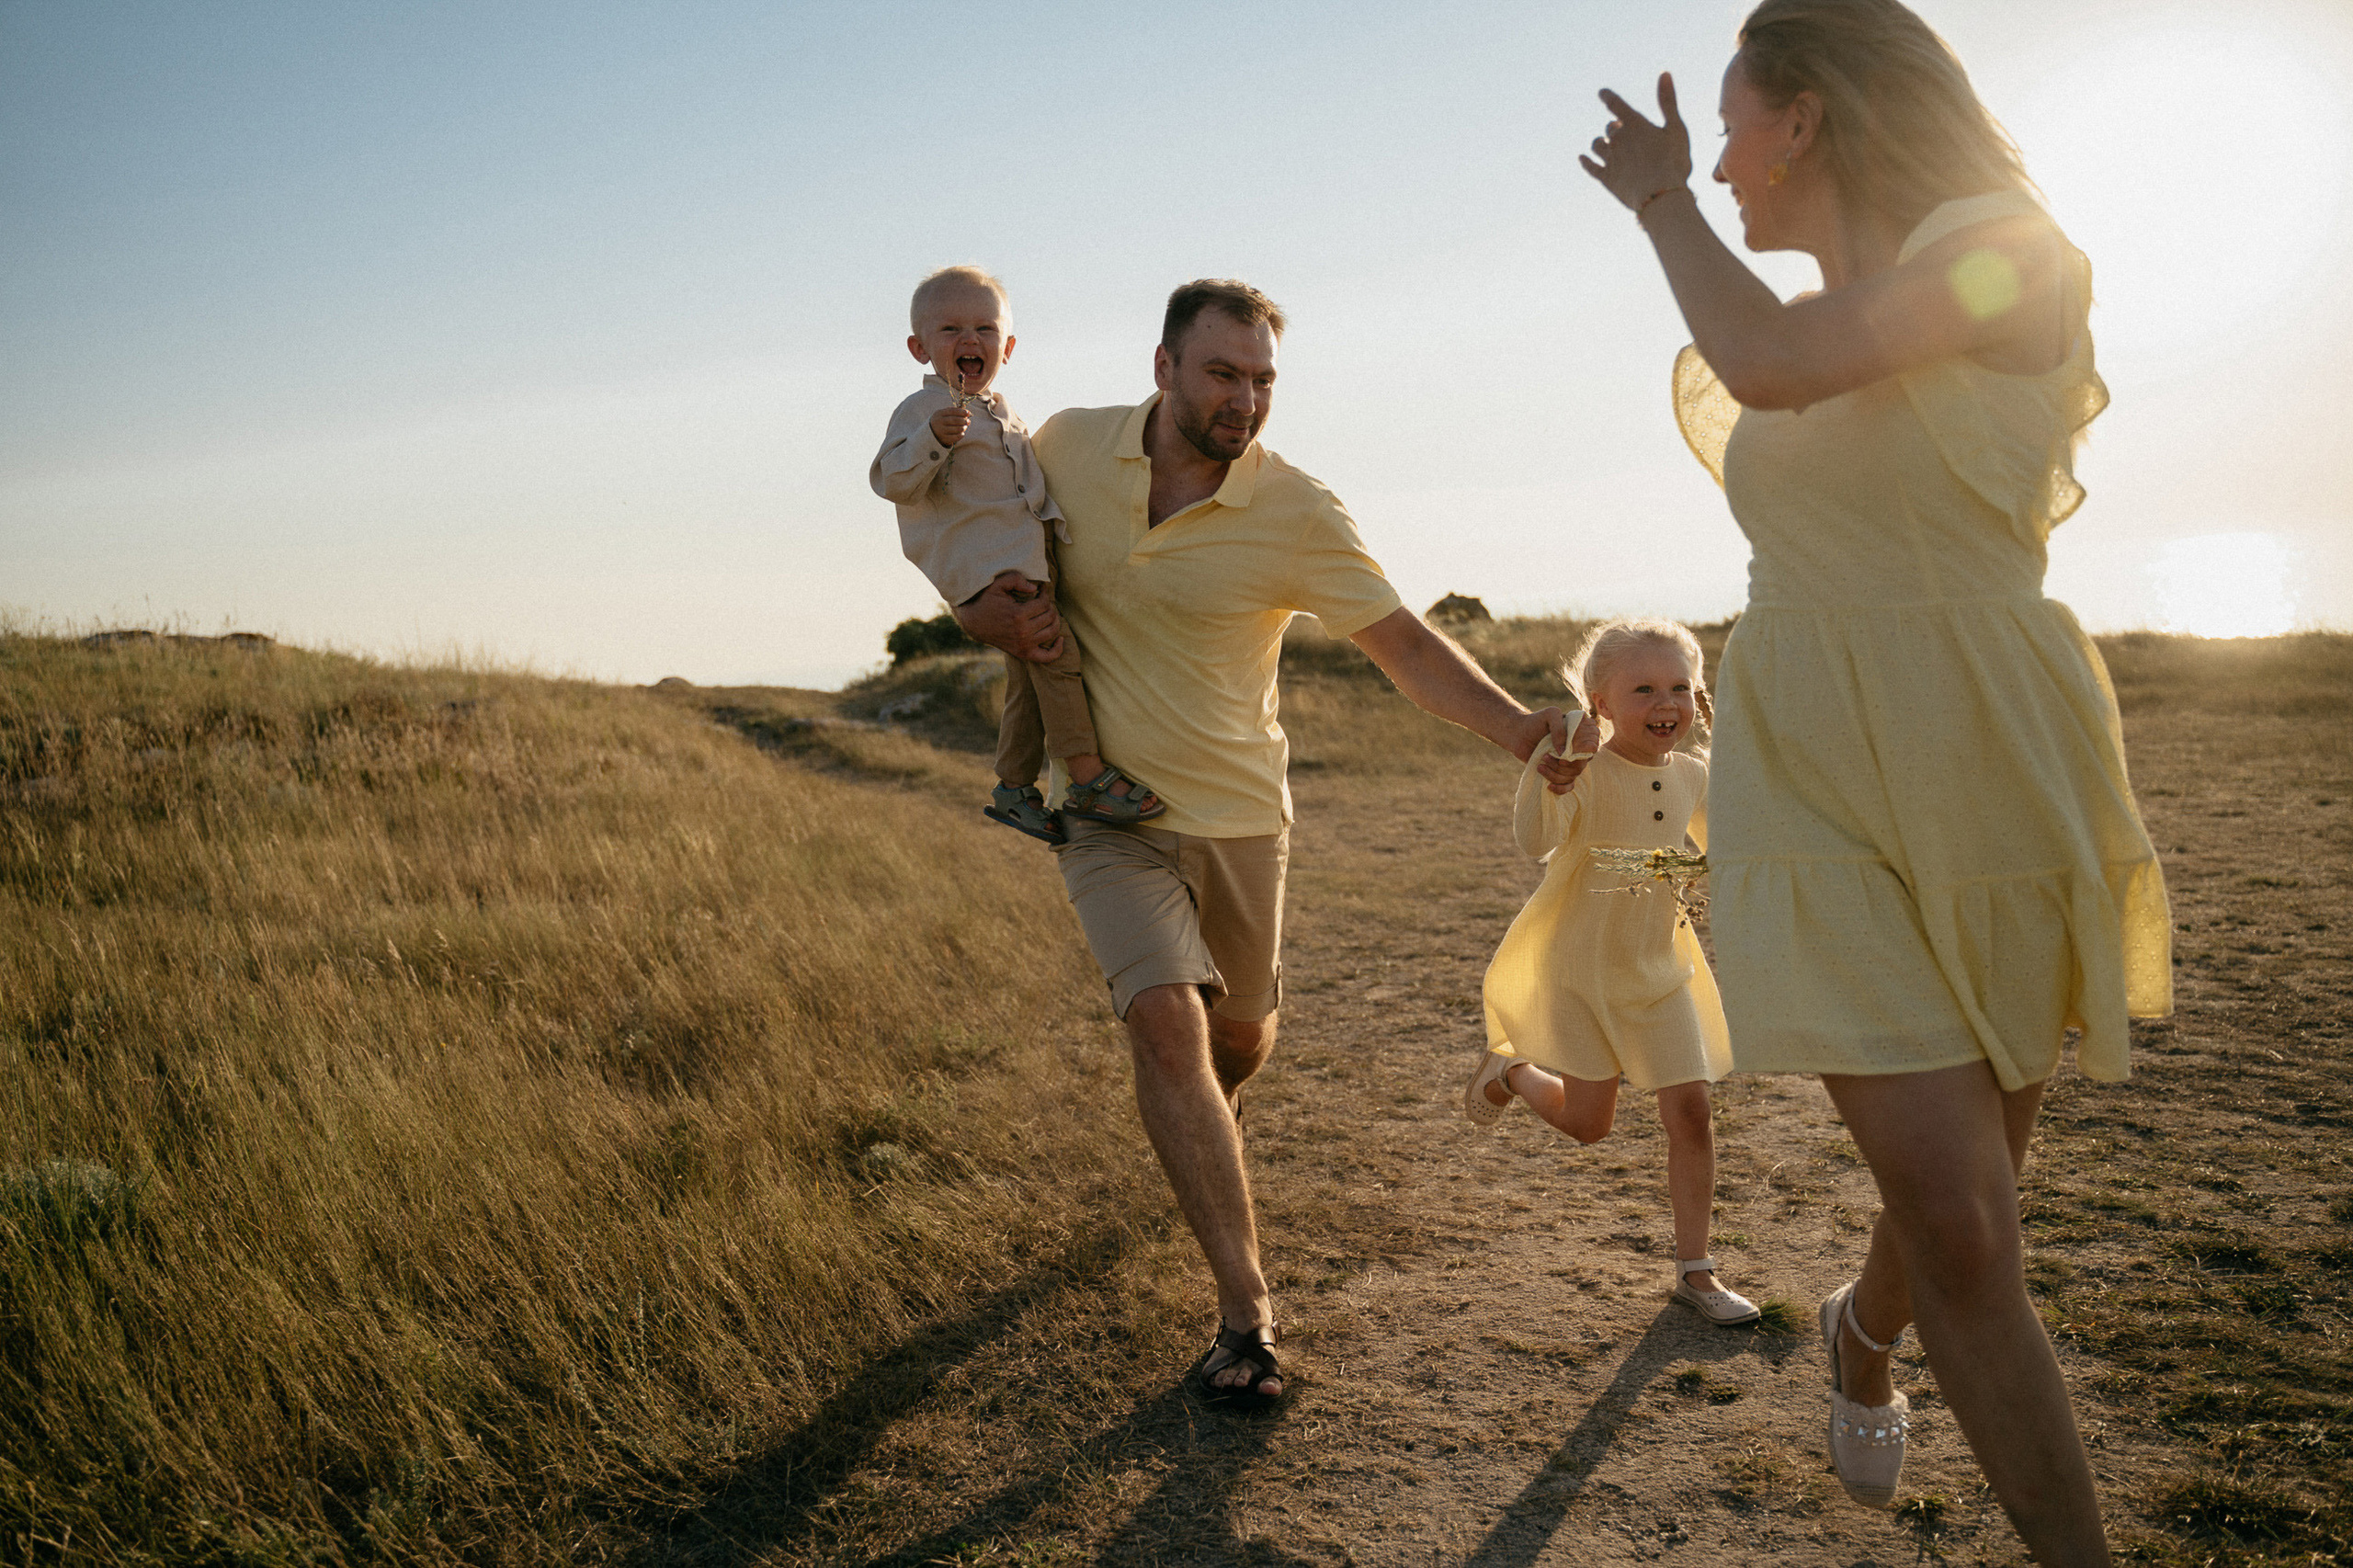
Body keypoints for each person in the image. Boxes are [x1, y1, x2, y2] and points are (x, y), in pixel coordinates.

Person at [1579, 1, 2170, 1560]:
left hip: (1989, 746)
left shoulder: (2008, 253)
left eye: (1729, 123)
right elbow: (1777, 366)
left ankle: (1865, 1324)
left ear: (1809, 120)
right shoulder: (1820, 310)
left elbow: (1774, 365)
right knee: (1969, 1218)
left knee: (1971, 1185)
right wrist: (1683, 218)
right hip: (1815, 761)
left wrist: (1661, 207)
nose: (1717, 158)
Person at [956, 278, 1579, 1407]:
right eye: (1222, 374)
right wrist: (981, 616)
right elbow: (974, 538)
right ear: (1163, 366)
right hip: (1107, 811)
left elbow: (1402, 642)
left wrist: (1513, 725)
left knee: (1235, 1041)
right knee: (1165, 1022)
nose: (1245, 400)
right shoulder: (1064, 446)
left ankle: (1206, 1121)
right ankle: (1245, 1319)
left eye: (1262, 381)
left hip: (1241, 816)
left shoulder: (1295, 508)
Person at [1464, 619, 1760, 1328]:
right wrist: (1548, 774)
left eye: (1682, 687)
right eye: (1645, 688)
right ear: (1599, 702)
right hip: (1578, 972)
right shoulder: (1580, 770)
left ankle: (1696, 1272)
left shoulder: (1693, 774)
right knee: (1589, 1126)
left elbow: (1728, 856)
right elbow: (1534, 841)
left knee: (1690, 1112)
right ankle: (1509, 1073)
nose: (1669, 702)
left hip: (1661, 969)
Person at [870, 265, 1162, 845]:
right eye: (950, 329)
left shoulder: (1005, 414)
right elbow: (890, 480)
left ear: (1007, 346)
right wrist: (934, 437)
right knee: (1058, 660)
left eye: (984, 328)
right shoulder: (920, 410)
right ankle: (1086, 776)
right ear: (918, 348)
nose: (968, 341)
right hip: (995, 573)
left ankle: (1013, 789)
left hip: (1031, 567)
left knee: (1029, 684)